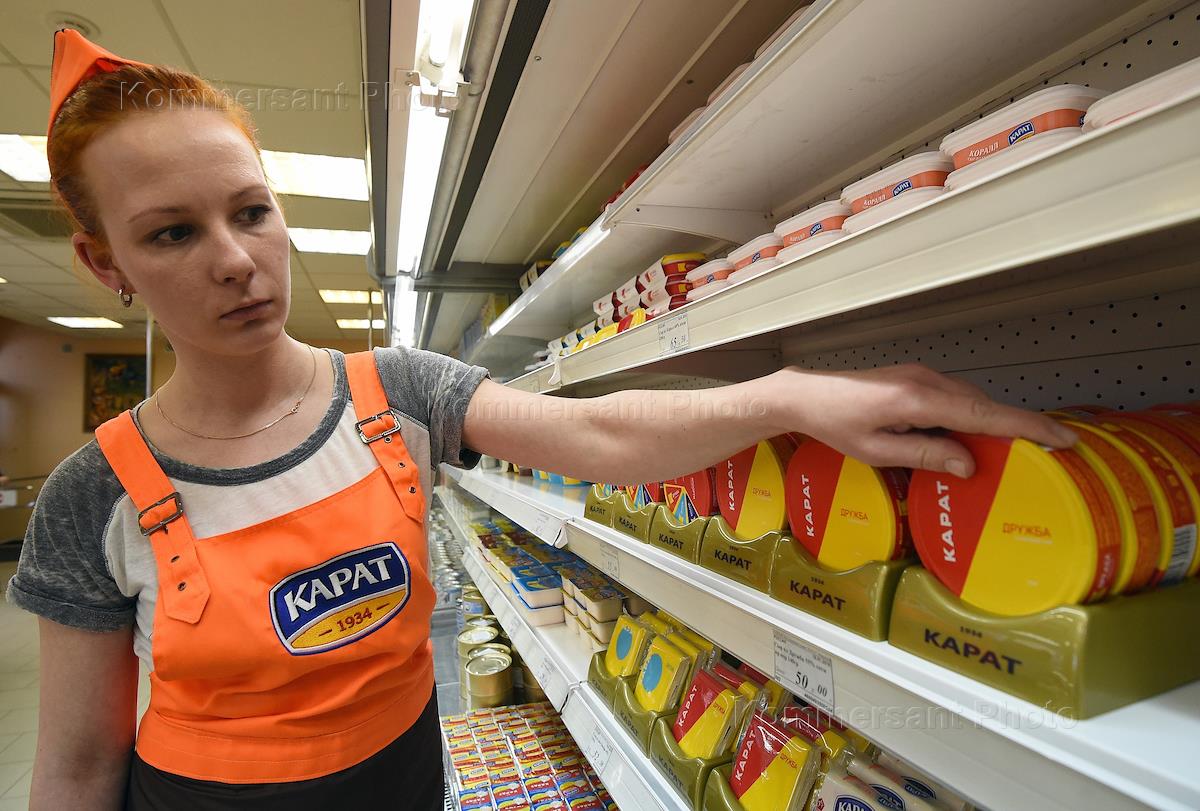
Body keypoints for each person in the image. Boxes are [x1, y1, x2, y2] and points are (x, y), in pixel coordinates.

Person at [6, 29, 1075, 811]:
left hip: (408, 780)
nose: (237, 260)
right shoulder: (92, 496)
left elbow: (601, 437)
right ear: (106, 265)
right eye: (172, 233)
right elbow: (77, 767)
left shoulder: (399, 393)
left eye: (251, 211)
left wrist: (791, 397)